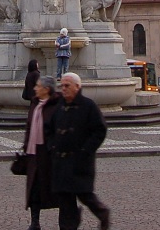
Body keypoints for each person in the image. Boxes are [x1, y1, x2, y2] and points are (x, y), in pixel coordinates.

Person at [47, 73, 111, 230]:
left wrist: (85, 151)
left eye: (67, 86)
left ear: (77, 86)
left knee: (85, 196)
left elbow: (99, 131)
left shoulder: (88, 106)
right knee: (65, 200)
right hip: (61, 163)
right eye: (62, 86)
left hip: (80, 163)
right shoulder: (59, 106)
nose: (64, 89)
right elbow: (49, 129)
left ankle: (102, 213)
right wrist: (52, 147)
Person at [22, 75, 61, 230]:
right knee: (34, 189)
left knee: (58, 191)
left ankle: (65, 222)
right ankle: (35, 222)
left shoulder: (57, 105)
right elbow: (29, 125)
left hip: (49, 154)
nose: (35, 88)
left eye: (38, 86)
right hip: (34, 153)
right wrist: (26, 146)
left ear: (47, 89)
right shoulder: (35, 103)